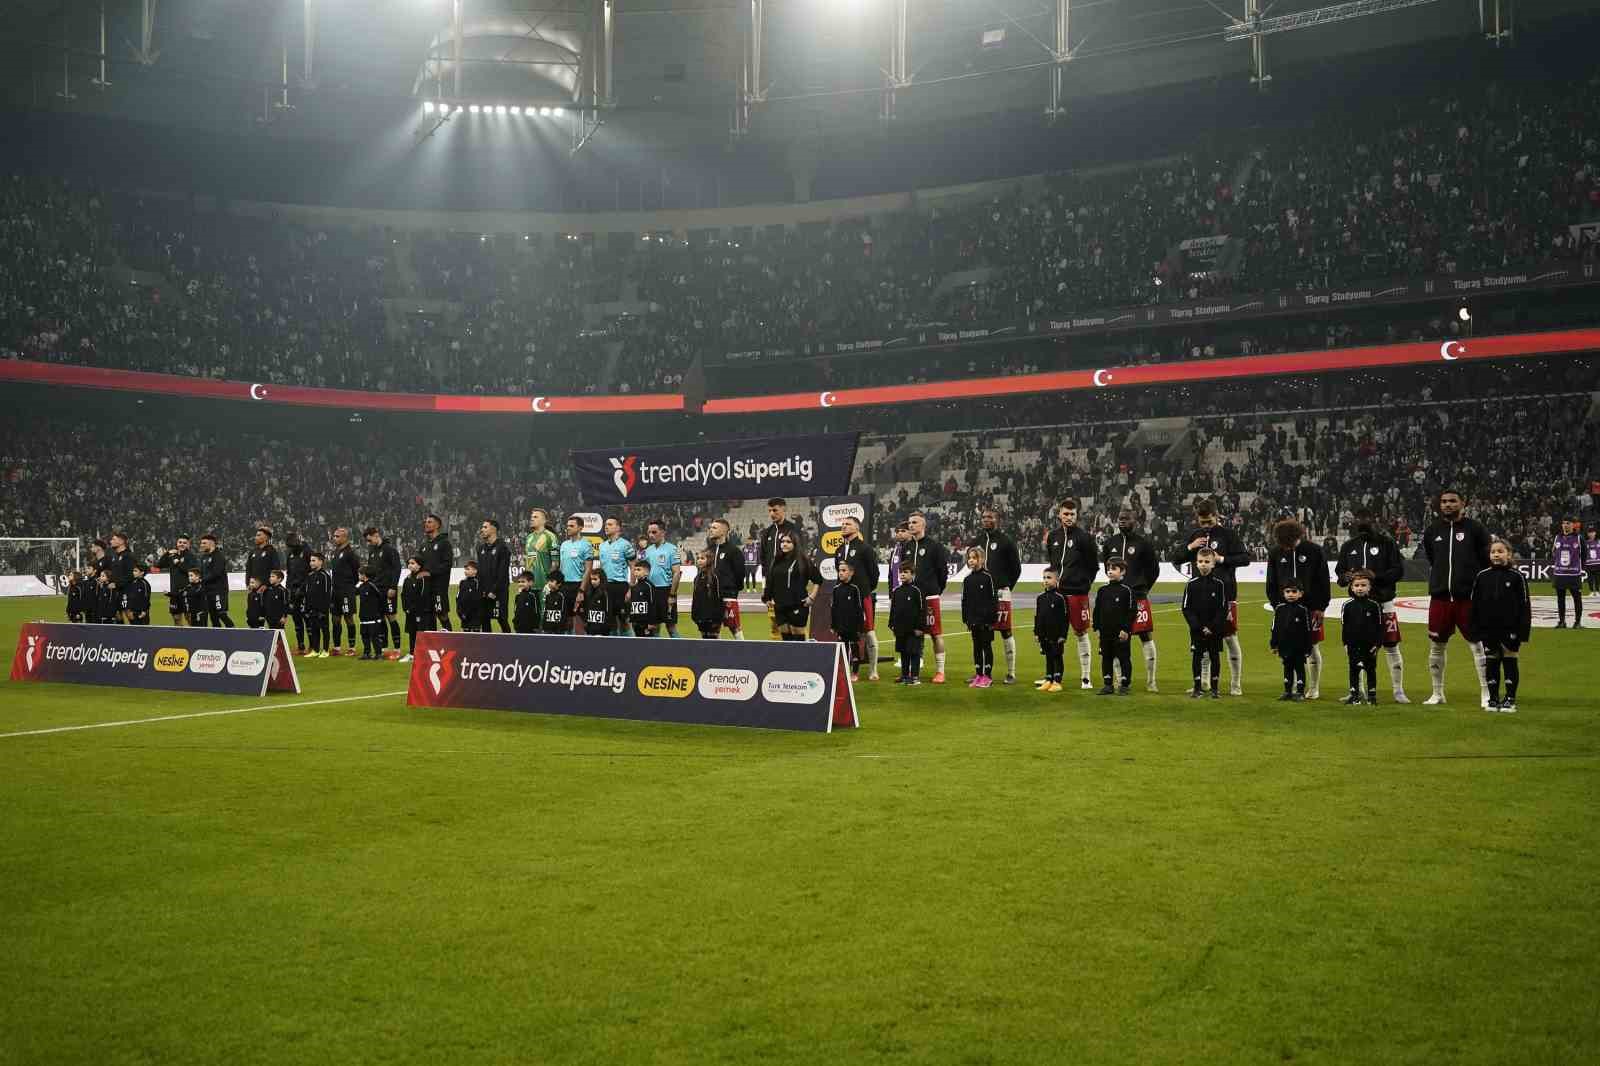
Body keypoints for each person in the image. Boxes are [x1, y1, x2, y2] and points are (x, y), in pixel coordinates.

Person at [1170, 499, 1250, 695]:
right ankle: (1204, 682)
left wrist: (1221, 559)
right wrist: (1191, 546)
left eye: (1209, 521)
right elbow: (1176, 558)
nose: (1205, 526)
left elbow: (1245, 559)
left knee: (1230, 637)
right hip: (1199, 597)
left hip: (1225, 595)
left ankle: (1235, 683)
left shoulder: (1228, 535)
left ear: (1217, 515)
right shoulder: (1194, 535)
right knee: (1201, 639)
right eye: (1202, 522)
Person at [1421, 489, 1492, 707]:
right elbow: (1433, 558)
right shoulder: (1432, 530)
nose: (1447, 505)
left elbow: (1485, 560)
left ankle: (1486, 693)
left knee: (1477, 645)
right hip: (1441, 597)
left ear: (1463, 503)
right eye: (1443, 501)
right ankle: (1437, 693)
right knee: (1437, 645)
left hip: (1468, 597)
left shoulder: (1476, 529)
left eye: (1452, 501)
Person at [1335, 508, 1409, 702]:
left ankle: (1398, 691)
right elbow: (1340, 575)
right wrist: (1346, 577)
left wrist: (1377, 577)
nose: (1362, 521)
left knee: (1391, 646)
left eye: (1366, 518)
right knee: (1355, 648)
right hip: (1357, 607)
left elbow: (1399, 571)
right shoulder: (1348, 546)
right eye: (1359, 518)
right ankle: (1357, 690)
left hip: (1384, 604)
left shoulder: (1386, 543)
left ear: (1374, 519)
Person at [1265, 519, 1332, 700]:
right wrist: (1276, 605)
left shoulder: (1314, 551)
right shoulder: (1275, 553)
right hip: (1284, 609)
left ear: (1298, 536)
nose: (1287, 548)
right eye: (1284, 544)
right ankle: (1290, 688)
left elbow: (1323, 581)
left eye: (1290, 544)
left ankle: (1314, 687)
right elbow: (1271, 581)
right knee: (1287, 648)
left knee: (1312, 646)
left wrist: (1320, 607)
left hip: (1310, 609)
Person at [1043, 498, 1100, 690]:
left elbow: (1094, 566)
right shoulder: (1053, 537)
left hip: (1077, 594)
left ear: (1077, 515)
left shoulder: (1084, 538)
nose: (1068, 517)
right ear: (1059, 514)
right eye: (1065, 514)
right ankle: (1053, 677)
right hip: (1057, 595)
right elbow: (1052, 563)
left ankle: (1085, 677)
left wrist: (1083, 584)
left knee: (1080, 632)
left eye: (1072, 514)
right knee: (1054, 634)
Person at [1101, 509, 1160, 691]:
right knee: (1116, 639)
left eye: (1127, 519)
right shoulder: (1110, 543)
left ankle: (1151, 682)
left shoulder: (1143, 543)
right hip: (1116, 600)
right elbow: (1106, 566)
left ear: (1135, 520)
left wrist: (1142, 587)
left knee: (1145, 635)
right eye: (1120, 519)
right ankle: (1120, 681)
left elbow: (1153, 570)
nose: (1122, 521)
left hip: (1138, 597)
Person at [1472, 539, 1532, 713]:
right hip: (1488, 628)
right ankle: (1493, 699)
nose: (1496, 555)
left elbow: (1524, 605)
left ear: (1509, 554)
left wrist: (1523, 631)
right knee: (1491, 661)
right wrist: (1475, 629)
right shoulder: (1482, 576)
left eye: (1500, 551)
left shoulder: (1517, 577)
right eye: (1493, 552)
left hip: (1510, 628)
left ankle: (1510, 699)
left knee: (1509, 659)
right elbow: (1475, 605)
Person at [834, 515, 881, 678]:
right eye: (842, 524)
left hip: (862, 597)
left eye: (848, 524)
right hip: (844, 599)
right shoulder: (839, 550)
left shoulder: (865, 549)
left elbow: (874, 574)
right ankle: (850, 670)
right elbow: (837, 573)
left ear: (857, 528)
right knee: (847, 633)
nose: (844, 526)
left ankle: (873, 670)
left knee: (868, 632)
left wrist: (865, 590)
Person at [905, 512, 951, 682]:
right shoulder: (907, 547)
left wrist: (936, 591)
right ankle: (910, 670)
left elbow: (943, 573)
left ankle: (940, 671)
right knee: (912, 634)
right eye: (909, 522)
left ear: (923, 525)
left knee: (935, 634)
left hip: (930, 597)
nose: (911, 525)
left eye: (914, 522)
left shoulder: (934, 546)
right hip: (911, 598)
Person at [980, 508, 1023, 685]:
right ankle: (983, 673)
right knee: (982, 633)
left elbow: (1016, 569)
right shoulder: (978, 541)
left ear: (997, 520)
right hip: (982, 594)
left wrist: (1006, 586)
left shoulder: (1006, 542)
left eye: (989, 517)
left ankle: (1011, 673)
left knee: (1005, 631)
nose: (985, 520)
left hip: (1000, 593)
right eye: (983, 517)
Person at [1182, 548, 1228, 699]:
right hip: (1197, 630)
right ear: (1196, 563)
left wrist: (1212, 627)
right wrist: (1198, 626)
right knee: (1197, 656)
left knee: (1214, 656)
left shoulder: (1219, 584)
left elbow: (1223, 608)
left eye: (1207, 562)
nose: (1203, 565)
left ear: (1213, 564)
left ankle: (1215, 688)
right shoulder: (1191, 584)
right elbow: (1186, 608)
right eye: (1200, 561)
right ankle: (1197, 687)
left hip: (1214, 630)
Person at [764, 531, 821, 641]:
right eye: (782, 541)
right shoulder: (776, 561)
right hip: (780, 606)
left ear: (795, 544)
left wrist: (812, 597)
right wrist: (767, 598)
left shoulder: (803, 561)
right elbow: (770, 581)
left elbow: (818, 580)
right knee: (786, 637)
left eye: (788, 542)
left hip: (798, 604)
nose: (784, 544)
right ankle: (788, 659)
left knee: (798, 637)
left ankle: (803, 658)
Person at [759, 499, 803, 639]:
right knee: (775, 622)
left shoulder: (793, 529)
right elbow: (763, 558)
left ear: (784, 510)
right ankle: (782, 653)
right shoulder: (767, 533)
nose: (772, 513)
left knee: (796, 623)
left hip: (791, 581)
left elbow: (800, 555)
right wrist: (766, 582)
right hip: (772, 582)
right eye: (770, 511)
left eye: (775, 510)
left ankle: (803, 653)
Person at [1340, 570, 1384, 705]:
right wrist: (1345, 644)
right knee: (1354, 669)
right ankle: (1354, 695)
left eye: (1363, 585)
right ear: (1352, 588)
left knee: (1370, 669)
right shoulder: (1347, 605)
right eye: (1357, 585)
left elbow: (1380, 627)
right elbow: (1344, 627)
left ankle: (1372, 696)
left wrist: (1377, 644)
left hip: (1370, 645)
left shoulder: (1375, 605)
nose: (1360, 588)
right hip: (1353, 644)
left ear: (1369, 587)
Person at [1092, 558, 1135, 696]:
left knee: (1124, 658)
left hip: (1120, 633)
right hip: (1105, 632)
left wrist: (1126, 630)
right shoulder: (1102, 590)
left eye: (1114, 569)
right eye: (1108, 568)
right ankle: (1108, 684)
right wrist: (1097, 627)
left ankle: (1125, 684)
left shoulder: (1126, 591)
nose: (1110, 571)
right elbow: (1097, 610)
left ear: (1122, 571)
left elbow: (1131, 612)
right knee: (1106, 657)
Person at [1270, 580, 1314, 701]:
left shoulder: (1303, 610)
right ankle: (1287, 691)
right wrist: (1274, 644)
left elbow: (1308, 630)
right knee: (1287, 667)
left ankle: (1300, 692)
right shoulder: (1279, 609)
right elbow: (1274, 628)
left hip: (1299, 646)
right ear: (1283, 593)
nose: (1290, 594)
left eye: (1294, 591)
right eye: (1287, 591)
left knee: (1299, 668)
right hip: (1284, 645)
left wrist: (1308, 647)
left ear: (1300, 594)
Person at [961, 547, 998, 689]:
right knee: (976, 647)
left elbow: (993, 600)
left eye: (974, 558)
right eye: (969, 558)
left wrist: (991, 619)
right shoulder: (967, 579)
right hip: (973, 621)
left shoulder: (988, 577)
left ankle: (987, 676)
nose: (971, 560)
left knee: (986, 647)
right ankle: (978, 674)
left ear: (981, 559)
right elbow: (965, 601)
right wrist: (966, 619)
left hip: (986, 621)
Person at [707, 519, 747, 639]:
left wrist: (733, 590)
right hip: (711, 596)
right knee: (713, 630)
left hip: (728, 595)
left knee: (734, 627)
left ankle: (745, 653)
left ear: (724, 531)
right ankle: (717, 656)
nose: (711, 530)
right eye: (711, 527)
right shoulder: (709, 550)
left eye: (714, 528)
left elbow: (740, 573)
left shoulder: (734, 551)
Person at [365, 527, 404, 650]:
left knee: (391, 617)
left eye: (370, 540)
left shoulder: (389, 550)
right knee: (380, 618)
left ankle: (397, 648)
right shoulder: (372, 551)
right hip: (376, 590)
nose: (368, 543)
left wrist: (393, 587)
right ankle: (384, 647)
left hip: (388, 589)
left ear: (376, 535)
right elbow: (371, 570)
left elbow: (397, 568)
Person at [643, 520, 684, 638]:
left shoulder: (672, 549)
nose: (651, 535)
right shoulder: (648, 550)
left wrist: (672, 595)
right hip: (651, 592)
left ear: (663, 532)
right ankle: (657, 654)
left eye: (654, 532)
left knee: (670, 627)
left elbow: (676, 573)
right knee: (653, 627)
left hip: (666, 592)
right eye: (649, 532)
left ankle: (682, 653)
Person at [889, 562, 925, 685]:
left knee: (914, 652)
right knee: (903, 652)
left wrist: (920, 627)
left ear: (912, 574)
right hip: (900, 628)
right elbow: (893, 609)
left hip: (914, 629)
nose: (902, 574)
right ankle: (904, 675)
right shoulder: (897, 591)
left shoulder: (917, 591)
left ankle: (915, 677)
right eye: (901, 572)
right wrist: (891, 624)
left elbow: (922, 610)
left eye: (906, 572)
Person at [1034, 567, 1069, 693]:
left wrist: (1063, 635)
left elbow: (1065, 618)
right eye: (1044, 577)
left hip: (1056, 634)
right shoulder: (1040, 597)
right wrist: (1037, 633)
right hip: (1044, 634)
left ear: (1056, 580)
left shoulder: (1061, 597)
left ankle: (1057, 681)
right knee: (1048, 656)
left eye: (1049, 577)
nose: (1046, 580)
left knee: (1057, 656)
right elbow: (1037, 616)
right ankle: (1049, 679)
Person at [475, 519, 513, 634]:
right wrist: (480, 589)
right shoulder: (480, 548)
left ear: (494, 529)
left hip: (498, 592)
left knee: (501, 619)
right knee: (484, 620)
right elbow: (480, 571)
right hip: (483, 592)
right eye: (482, 527)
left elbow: (502, 573)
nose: (482, 529)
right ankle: (488, 649)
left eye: (485, 527)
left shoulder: (503, 548)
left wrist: (494, 590)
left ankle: (510, 645)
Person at [559, 516, 596, 628]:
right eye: (567, 526)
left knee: (584, 621)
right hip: (565, 586)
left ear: (580, 528)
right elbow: (562, 567)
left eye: (571, 526)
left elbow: (588, 569)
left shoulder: (586, 544)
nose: (568, 528)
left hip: (579, 585)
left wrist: (581, 590)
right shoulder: (564, 545)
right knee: (567, 620)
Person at [329, 527, 361, 654]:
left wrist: (349, 586)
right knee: (335, 619)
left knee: (348, 618)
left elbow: (356, 571)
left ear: (344, 537)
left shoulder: (350, 553)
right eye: (334, 536)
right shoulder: (336, 551)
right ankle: (337, 647)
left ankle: (351, 647)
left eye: (337, 536)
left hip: (346, 590)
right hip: (335, 590)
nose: (334, 538)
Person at [421, 514, 456, 632]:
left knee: (442, 615)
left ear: (437, 525)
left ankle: (451, 643)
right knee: (428, 616)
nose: (426, 524)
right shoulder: (424, 545)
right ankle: (433, 645)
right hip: (425, 587)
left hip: (439, 587)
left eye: (430, 522)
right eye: (426, 522)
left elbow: (447, 564)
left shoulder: (444, 543)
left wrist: (430, 572)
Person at [830, 559, 865, 677]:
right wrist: (833, 625)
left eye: (844, 570)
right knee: (843, 650)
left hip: (853, 626)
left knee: (854, 649)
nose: (840, 573)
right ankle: (844, 671)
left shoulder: (855, 589)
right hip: (841, 626)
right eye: (839, 570)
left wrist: (860, 627)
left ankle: (855, 673)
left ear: (851, 572)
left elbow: (860, 609)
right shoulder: (836, 589)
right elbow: (834, 609)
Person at [1550, 516, 1585, 629]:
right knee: (1560, 598)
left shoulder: (1578, 538)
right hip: (1560, 574)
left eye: (1568, 523)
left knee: (1577, 598)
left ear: (1573, 525)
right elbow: (1553, 552)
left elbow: (1584, 554)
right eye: (1564, 523)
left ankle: (1577, 622)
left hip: (1574, 574)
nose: (1565, 525)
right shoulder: (1557, 537)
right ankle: (1562, 622)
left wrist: (1579, 567)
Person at [523, 508, 560, 617]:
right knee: (531, 616)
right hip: (531, 585)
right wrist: (525, 581)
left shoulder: (550, 536)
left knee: (545, 615)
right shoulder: (529, 538)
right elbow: (529, 561)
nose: (532, 519)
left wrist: (549, 583)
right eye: (531, 517)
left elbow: (555, 562)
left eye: (535, 517)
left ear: (544, 521)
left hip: (545, 584)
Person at [156, 536, 198, 625]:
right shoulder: (172, 556)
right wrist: (167, 553)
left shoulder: (191, 556)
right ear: (177, 543)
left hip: (188, 592)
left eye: (184, 543)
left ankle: (194, 636)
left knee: (189, 616)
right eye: (180, 542)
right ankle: (181, 637)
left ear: (188, 545)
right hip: (175, 592)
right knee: (176, 617)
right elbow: (159, 565)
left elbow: (192, 572)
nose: (182, 544)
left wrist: (178, 563)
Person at [282, 531, 312, 654]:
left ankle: (313, 646)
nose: (291, 548)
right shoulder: (290, 555)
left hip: (305, 591)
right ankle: (301, 646)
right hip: (293, 591)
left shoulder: (307, 551)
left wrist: (304, 587)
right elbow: (289, 573)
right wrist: (288, 588)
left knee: (308, 618)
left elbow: (311, 571)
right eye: (290, 546)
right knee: (296, 619)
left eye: (293, 546)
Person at [399, 556, 434, 660]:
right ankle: (412, 653)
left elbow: (423, 595)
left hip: (421, 611)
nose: (410, 565)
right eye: (409, 563)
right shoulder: (408, 578)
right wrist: (406, 608)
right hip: (410, 612)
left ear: (419, 565)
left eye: (413, 563)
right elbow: (403, 594)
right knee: (411, 631)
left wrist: (415, 608)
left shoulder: (424, 577)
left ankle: (422, 654)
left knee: (421, 632)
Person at [198, 533, 234, 627]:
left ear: (212, 543)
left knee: (221, 614)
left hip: (219, 590)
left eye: (204, 543)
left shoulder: (219, 556)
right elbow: (201, 572)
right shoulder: (203, 557)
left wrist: (201, 580)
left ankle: (234, 631)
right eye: (201, 543)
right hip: (207, 591)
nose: (201, 545)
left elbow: (216, 573)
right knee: (213, 617)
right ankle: (218, 638)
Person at [245, 528, 281, 615]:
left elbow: (275, 569)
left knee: (269, 616)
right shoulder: (253, 551)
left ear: (266, 538)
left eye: (258, 535)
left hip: (266, 589)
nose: (255, 537)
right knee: (252, 617)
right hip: (253, 589)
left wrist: (266, 584)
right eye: (256, 535)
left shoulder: (272, 551)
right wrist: (248, 584)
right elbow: (248, 569)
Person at [303, 552, 333, 657]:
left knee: (324, 629)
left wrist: (323, 610)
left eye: (313, 560)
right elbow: (307, 593)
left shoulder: (325, 576)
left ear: (320, 562)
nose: (311, 563)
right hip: (311, 608)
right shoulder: (310, 576)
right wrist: (307, 608)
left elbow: (326, 594)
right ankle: (315, 650)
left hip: (321, 609)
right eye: (310, 560)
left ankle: (325, 650)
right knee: (314, 629)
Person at [692, 549, 724, 640]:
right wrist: (694, 616)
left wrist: (718, 619)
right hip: (701, 618)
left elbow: (719, 598)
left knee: (714, 642)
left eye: (702, 558)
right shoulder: (697, 578)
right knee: (704, 641)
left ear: (709, 560)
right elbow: (695, 599)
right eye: (698, 558)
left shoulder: (715, 577)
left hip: (713, 619)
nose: (699, 560)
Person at [355, 567, 387, 660]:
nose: (358, 576)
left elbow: (380, 597)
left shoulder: (372, 585)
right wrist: (358, 583)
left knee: (374, 635)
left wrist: (379, 612)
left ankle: (378, 653)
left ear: (364, 575)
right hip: (363, 615)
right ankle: (366, 653)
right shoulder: (361, 585)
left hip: (373, 615)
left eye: (360, 574)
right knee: (364, 634)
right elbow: (354, 592)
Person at [104, 532, 135, 624]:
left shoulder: (128, 556)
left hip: (127, 590)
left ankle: (138, 634)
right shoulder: (114, 556)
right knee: (117, 614)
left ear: (121, 541)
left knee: (129, 613)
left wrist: (116, 584)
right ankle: (121, 636)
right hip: (115, 591)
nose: (111, 541)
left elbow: (130, 575)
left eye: (113, 539)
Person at [627, 560, 659, 637]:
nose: (636, 572)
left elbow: (653, 604)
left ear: (647, 572)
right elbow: (633, 604)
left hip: (646, 623)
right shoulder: (634, 587)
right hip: (636, 622)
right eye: (635, 570)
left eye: (639, 570)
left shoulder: (649, 586)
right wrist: (631, 618)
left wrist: (652, 622)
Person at [580, 570, 612, 636]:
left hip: (602, 631)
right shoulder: (588, 593)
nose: (593, 582)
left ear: (601, 580)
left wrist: (605, 629)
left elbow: (608, 612)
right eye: (591, 579)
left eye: (595, 579)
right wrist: (586, 625)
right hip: (590, 630)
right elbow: (586, 610)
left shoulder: (605, 594)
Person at [455, 560, 482, 633]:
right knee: (465, 636)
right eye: (465, 569)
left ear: (475, 571)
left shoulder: (477, 583)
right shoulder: (462, 582)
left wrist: (467, 613)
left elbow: (476, 600)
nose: (465, 571)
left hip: (474, 616)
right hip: (464, 616)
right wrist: (459, 611)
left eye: (468, 569)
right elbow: (458, 598)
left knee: (475, 637)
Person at [261, 571, 289, 635]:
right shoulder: (267, 590)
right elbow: (264, 603)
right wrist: (263, 615)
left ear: (279, 579)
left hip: (278, 618)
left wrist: (284, 616)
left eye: (273, 576)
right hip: (269, 617)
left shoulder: (283, 590)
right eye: (270, 576)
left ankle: (281, 645)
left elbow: (286, 604)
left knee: (280, 635)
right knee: (271, 635)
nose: (270, 578)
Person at [1585, 525, 1600, 595]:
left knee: (1597, 578)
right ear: (1587, 534)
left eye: (1592, 532)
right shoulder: (1585, 543)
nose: (1591, 534)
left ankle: (1597, 591)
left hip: (1597, 563)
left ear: (1595, 533)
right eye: (1589, 532)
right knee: (1590, 578)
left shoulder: (1599, 542)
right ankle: (1591, 591)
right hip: (1588, 564)